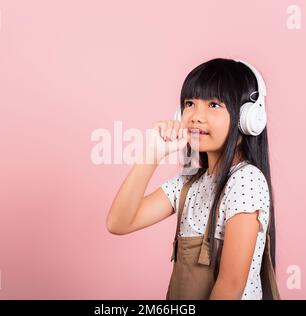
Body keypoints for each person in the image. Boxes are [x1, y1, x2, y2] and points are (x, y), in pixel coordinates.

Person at [106, 58, 276, 300]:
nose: (196, 116)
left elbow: (231, 286)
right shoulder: (188, 183)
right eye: (190, 104)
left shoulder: (245, 180)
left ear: (247, 119)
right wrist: (152, 154)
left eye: (214, 105)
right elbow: (119, 223)